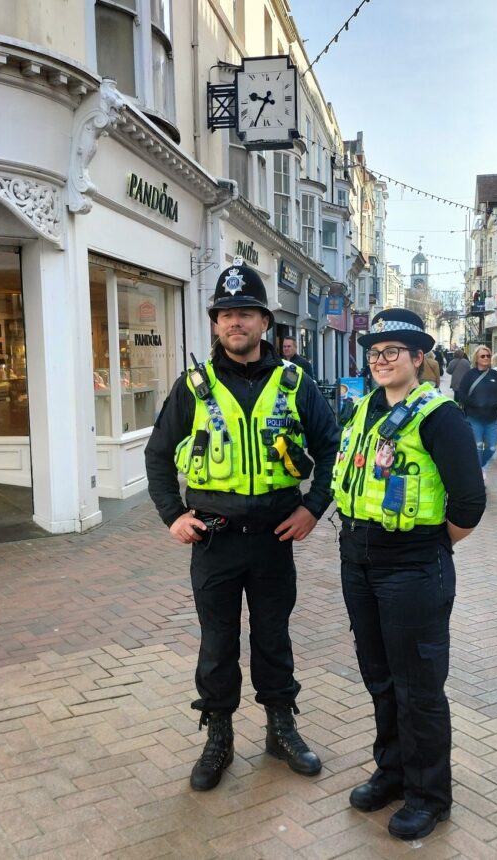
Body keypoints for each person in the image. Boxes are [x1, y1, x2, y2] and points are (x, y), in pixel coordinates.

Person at [144, 257, 340, 792]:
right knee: (217, 641)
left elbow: (331, 450)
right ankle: (219, 736)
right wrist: (172, 515)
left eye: (246, 313)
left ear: (264, 323)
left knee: (274, 636)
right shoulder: (194, 387)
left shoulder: (294, 383)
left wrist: (312, 507)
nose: (236, 322)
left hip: (275, 538)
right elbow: (158, 456)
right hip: (213, 539)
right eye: (226, 313)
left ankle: (281, 728)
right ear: (215, 324)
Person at [332, 308, 486, 842]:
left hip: (413, 567)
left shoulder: (438, 415)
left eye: (392, 352)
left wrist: (431, 549)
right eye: (374, 353)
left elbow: (469, 500)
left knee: (418, 686)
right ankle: (392, 772)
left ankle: (428, 796)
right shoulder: (363, 411)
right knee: (379, 677)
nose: (380, 361)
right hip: (358, 560)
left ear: (419, 358)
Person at [457, 346, 497, 475]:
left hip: (491, 419)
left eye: (488, 356)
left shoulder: (495, 375)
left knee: (491, 448)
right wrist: (475, 403)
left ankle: (480, 467)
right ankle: (478, 474)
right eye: (482, 356)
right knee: (477, 447)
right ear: (476, 359)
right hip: (474, 418)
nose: (486, 358)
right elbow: (460, 395)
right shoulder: (470, 375)